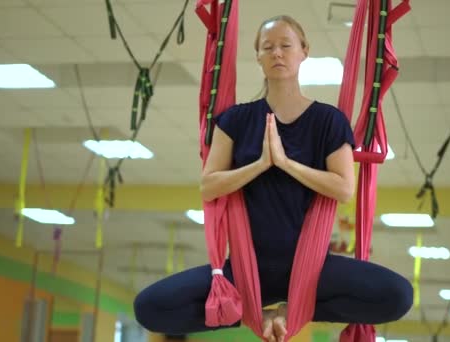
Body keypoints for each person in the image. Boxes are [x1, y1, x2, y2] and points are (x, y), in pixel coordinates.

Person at [134, 15, 413, 342]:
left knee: (397, 296)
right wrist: (260, 164)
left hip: (311, 270)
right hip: (247, 267)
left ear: (304, 51)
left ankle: (294, 309)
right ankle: (249, 310)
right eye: (268, 47)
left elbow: (344, 188)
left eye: (285, 46)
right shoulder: (236, 120)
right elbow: (209, 185)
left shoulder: (328, 120)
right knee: (150, 308)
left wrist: (285, 162)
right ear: (258, 57)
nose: (277, 53)